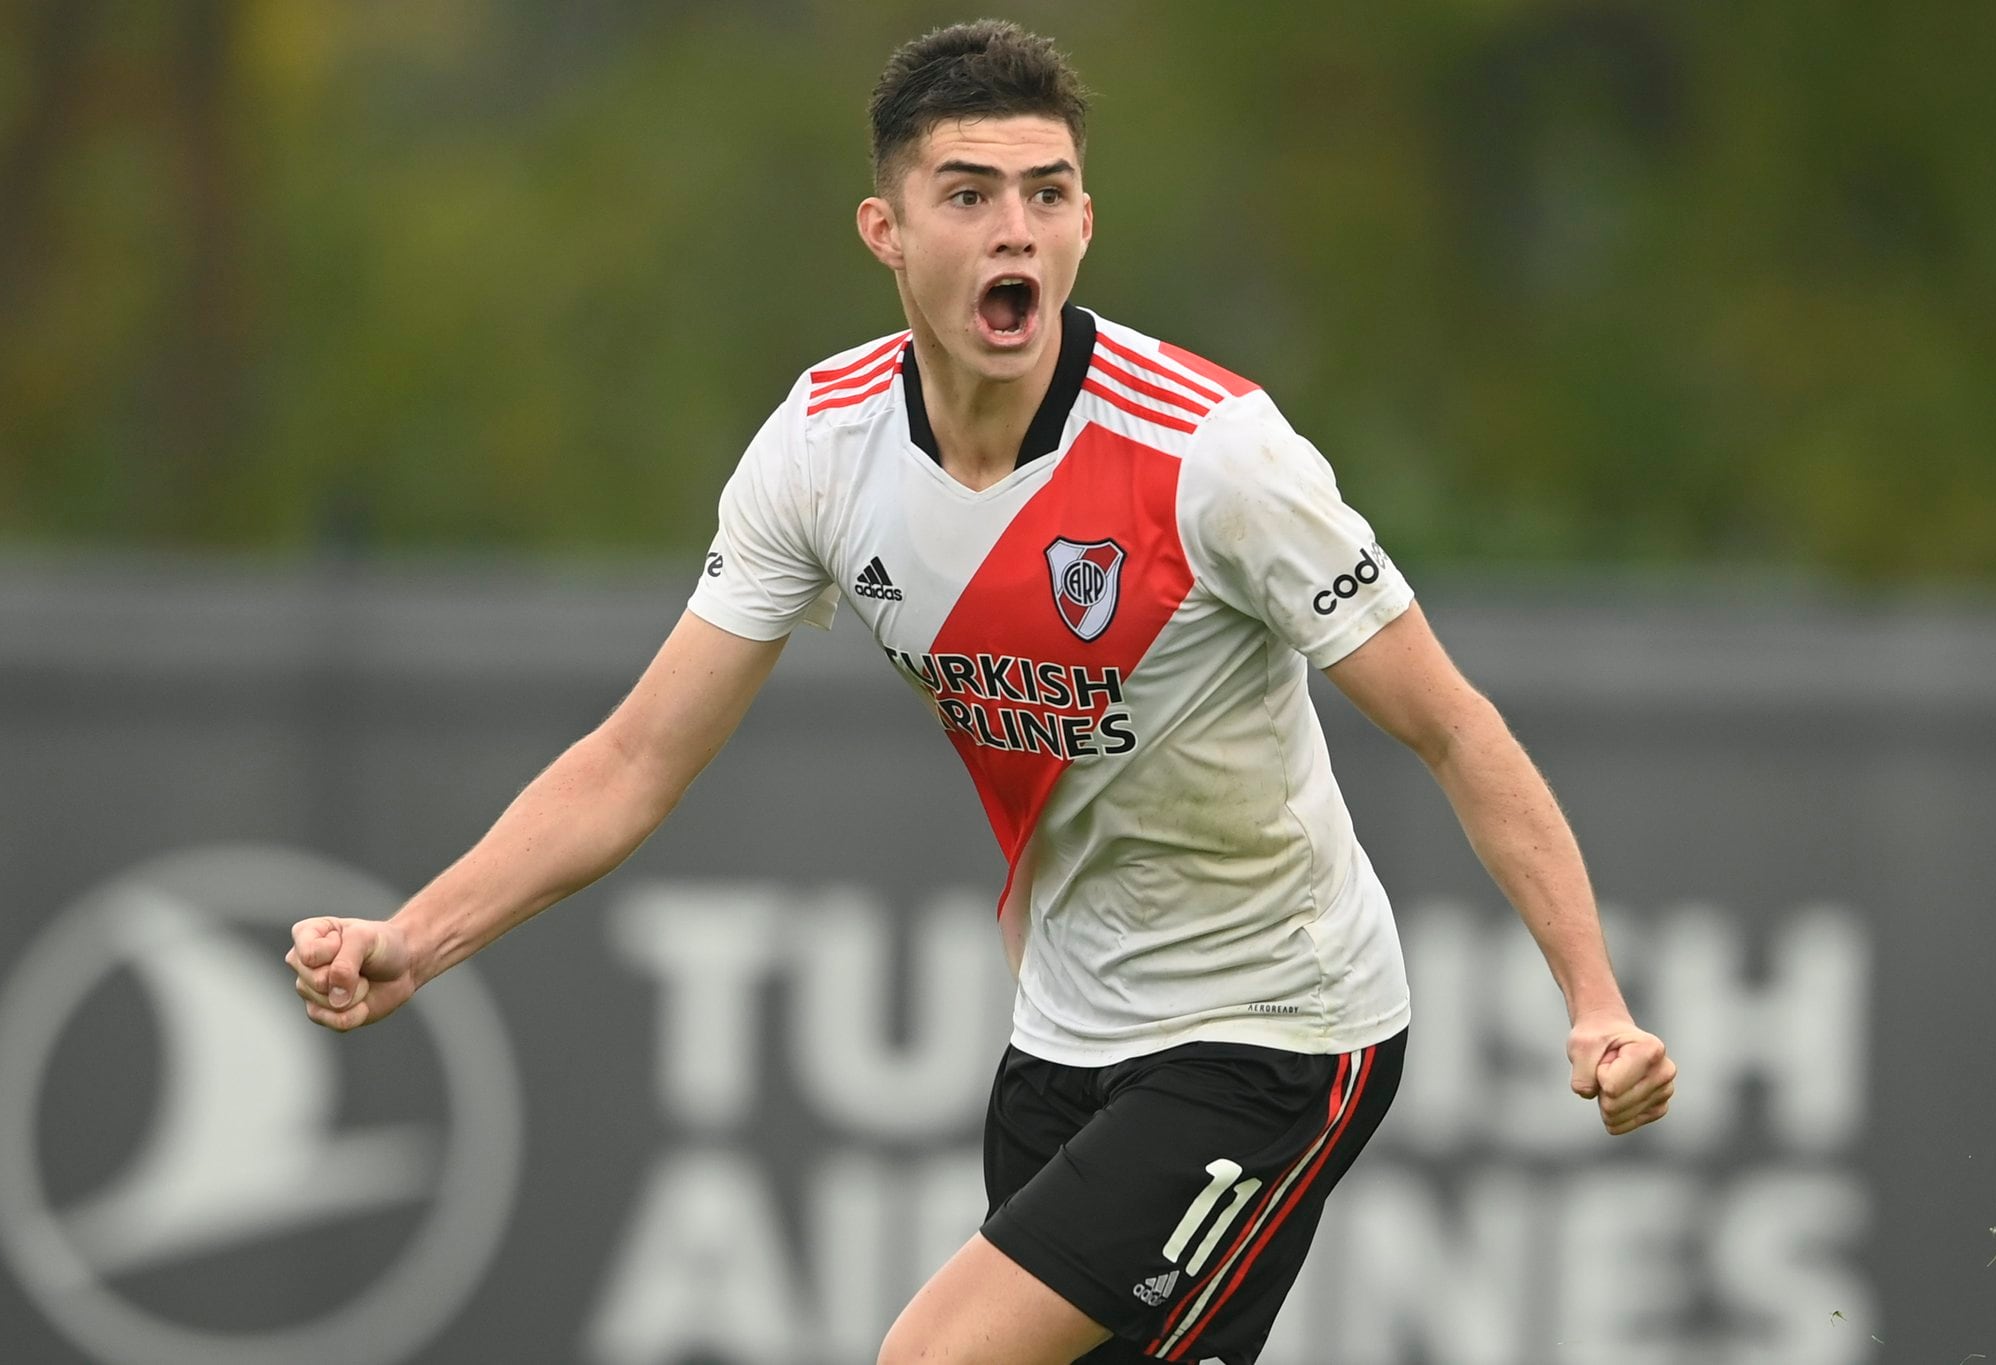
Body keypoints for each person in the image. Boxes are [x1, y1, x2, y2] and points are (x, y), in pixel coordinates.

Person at [287, 20, 1676, 1365]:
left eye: (1047, 193)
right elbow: (635, 758)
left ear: (1083, 225)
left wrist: (1593, 996)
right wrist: (421, 936)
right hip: (1062, 1035)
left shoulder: (1213, 457)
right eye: (968, 194)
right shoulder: (822, 450)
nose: (1015, 228)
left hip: (1279, 1033)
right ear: (885, 233)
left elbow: (1453, 724)